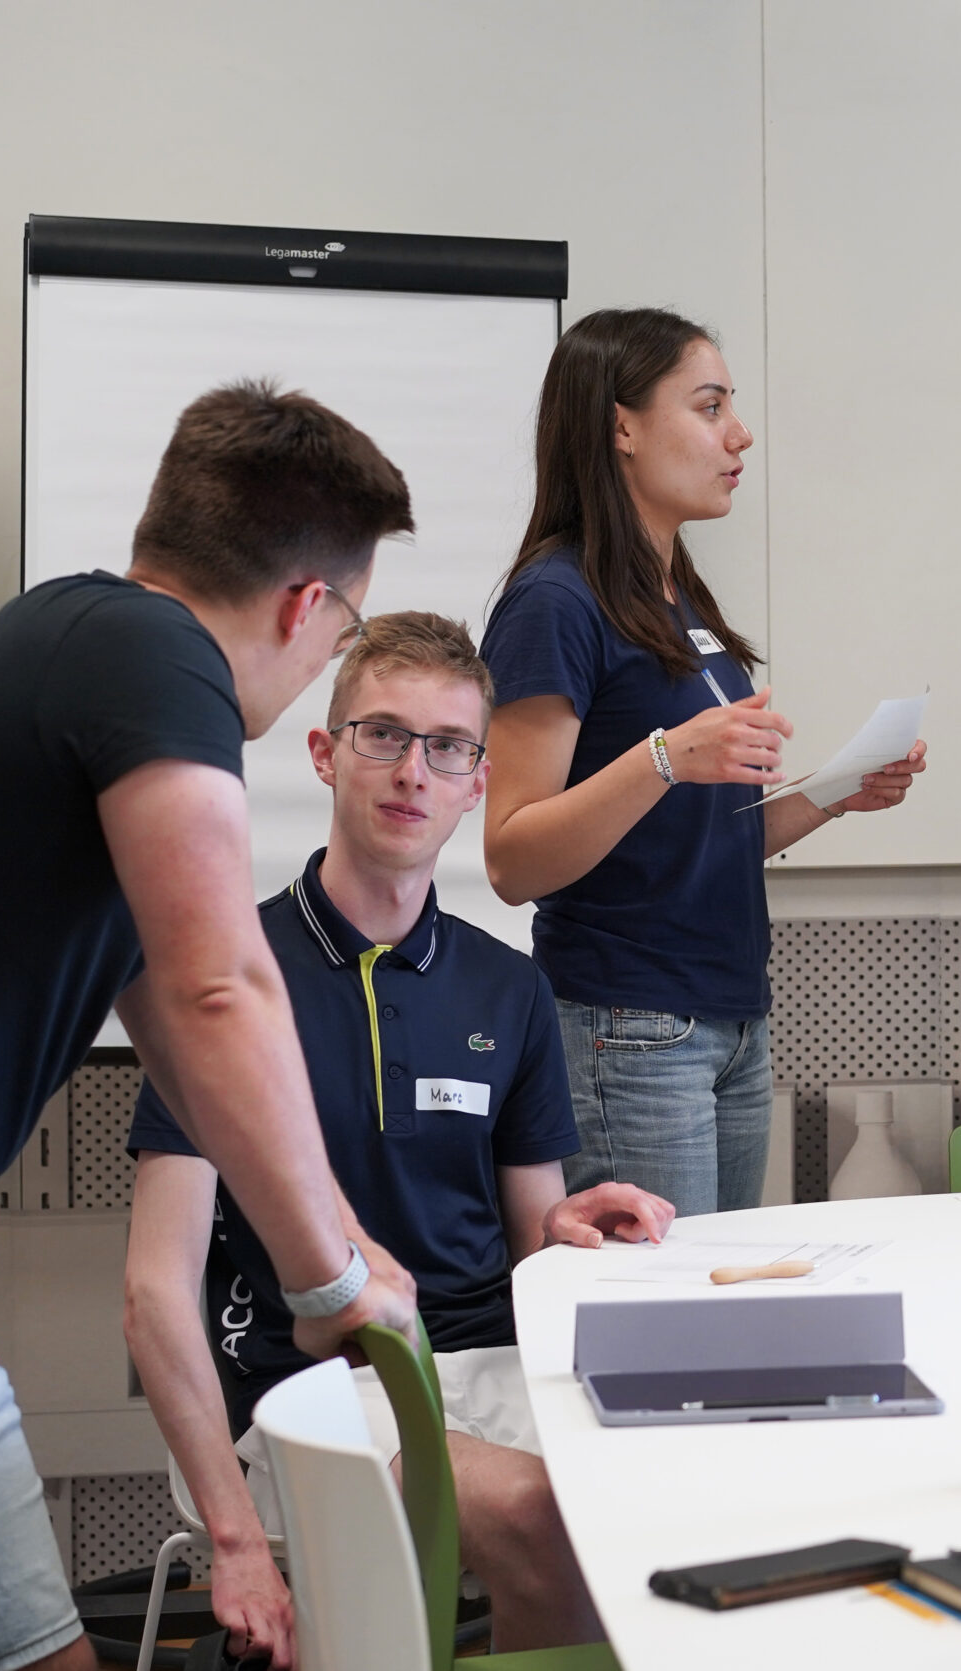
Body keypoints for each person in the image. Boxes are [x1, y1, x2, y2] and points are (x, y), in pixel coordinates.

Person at [0, 382, 420, 1671]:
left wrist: (335, 1236)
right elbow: (225, 988)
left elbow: (167, 1007)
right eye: (343, 633)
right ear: (300, 604)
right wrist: (326, 1278)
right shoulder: (161, 667)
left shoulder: (72, 637)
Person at [124, 613, 676, 1665]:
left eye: (449, 746)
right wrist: (233, 1534)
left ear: (478, 781)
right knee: (538, 1515)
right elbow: (154, 1293)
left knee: (681, 1500)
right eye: (383, 735)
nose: (413, 770)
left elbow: (533, 1250)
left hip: (489, 1364)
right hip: (308, 1395)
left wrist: (564, 1226)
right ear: (325, 754)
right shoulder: (224, 983)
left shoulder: (507, 986)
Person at [479, 309, 924, 1218]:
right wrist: (666, 756)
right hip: (627, 1025)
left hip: (729, 1022)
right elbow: (511, 857)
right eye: (711, 405)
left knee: (710, 1304)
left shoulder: (677, 594)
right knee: (657, 1324)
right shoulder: (554, 600)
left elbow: (694, 840)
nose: (740, 433)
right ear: (622, 428)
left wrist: (839, 791)